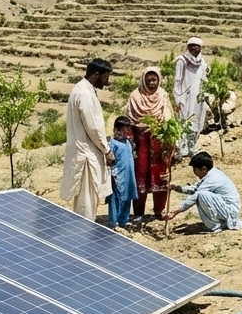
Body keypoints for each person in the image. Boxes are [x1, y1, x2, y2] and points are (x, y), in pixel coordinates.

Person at [62, 59, 115, 221]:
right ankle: (83, 235)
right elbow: (94, 128)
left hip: (85, 152)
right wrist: (107, 150)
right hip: (86, 155)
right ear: (96, 75)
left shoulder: (84, 90)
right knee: (87, 200)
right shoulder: (84, 93)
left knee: (88, 199)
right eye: (105, 77)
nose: (107, 81)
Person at [124, 66, 172, 223]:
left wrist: (169, 139)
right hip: (141, 145)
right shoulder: (135, 97)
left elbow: (169, 118)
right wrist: (130, 144)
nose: (152, 83)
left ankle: (159, 211)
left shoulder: (163, 95)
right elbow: (129, 122)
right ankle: (138, 213)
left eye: (155, 80)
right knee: (141, 177)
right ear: (143, 80)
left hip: (159, 144)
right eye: (149, 80)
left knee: (160, 176)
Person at [162, 151, 242, 233]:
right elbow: (195, 188)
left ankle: (217, 226)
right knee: (201, 194)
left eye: (195, 169)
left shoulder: (213, 178)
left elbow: (195, 195)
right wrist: (176, 188)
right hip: (225, 207)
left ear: (203, 169)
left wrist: (176, 212)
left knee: (201, 195)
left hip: (230, 210)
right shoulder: (210, 175)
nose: (194, 173)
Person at [174, 37, 208, 155]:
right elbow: (177, 81)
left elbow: (204, 79)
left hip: (198, 97)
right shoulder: (181, 61)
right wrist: (178, 98)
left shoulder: (202, 62)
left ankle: (192, 147)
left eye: (197, 46)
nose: (195, 48)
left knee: (196, 121)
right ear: (188, 47)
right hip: (185, 97)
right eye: (192, 46)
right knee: (184, 121)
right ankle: (183, 148)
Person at [108, 116, 137, 229]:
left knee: (127, 198)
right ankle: (113, 222)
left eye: (125, 130)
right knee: (116, 199)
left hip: (129, 176)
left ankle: (123, 220)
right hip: (118, 176)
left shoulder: (128, 143)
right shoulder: (112, 144)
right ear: (115, 130)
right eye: (120, 130)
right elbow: (109, 160)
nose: (122, 133)